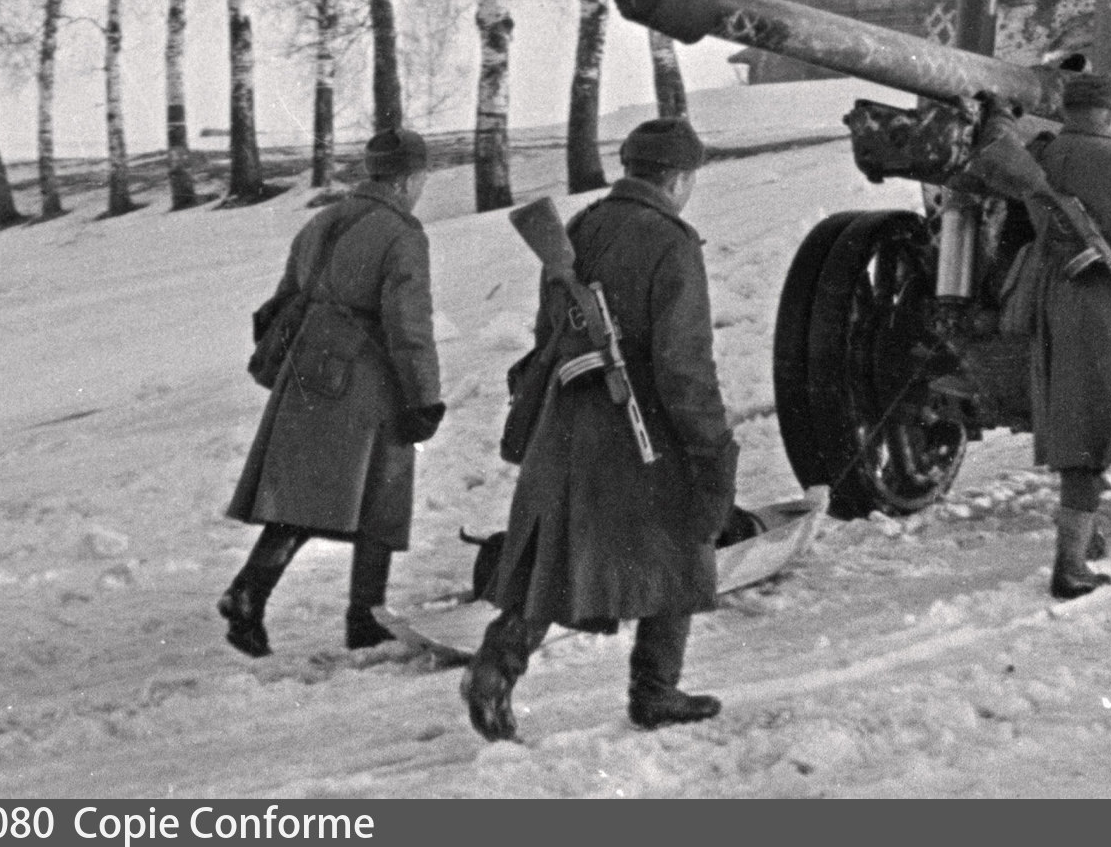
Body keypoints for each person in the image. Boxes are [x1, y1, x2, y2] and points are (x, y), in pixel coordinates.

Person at [465, 117, 738, 739]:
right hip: (641, 419)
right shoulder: (672, 242)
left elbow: (548, 333)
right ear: (677, 177)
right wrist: (710, 445)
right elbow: (684, 363)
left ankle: (493, 669)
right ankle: (655, 690)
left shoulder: (581, 228)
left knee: (555, 551)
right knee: (685, 531)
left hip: (567, 415)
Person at [220, 126, 445, 657]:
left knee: (306, 491)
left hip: (307, 369)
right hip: (366, 375)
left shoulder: (322, 221)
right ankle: (364, 620)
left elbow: (284, 298)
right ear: (410, 177)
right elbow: (408, 325)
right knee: (383, 491)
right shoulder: (401, 233)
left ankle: (250, 590)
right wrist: (424, 397)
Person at [996, 72, 1111, 601]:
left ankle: (1086, 536)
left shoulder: (1039, 158)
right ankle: (1070, 565)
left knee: (1071, 416)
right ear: (1110, 114)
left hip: (1051, 296)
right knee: (1096, 428)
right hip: (1109, 303)